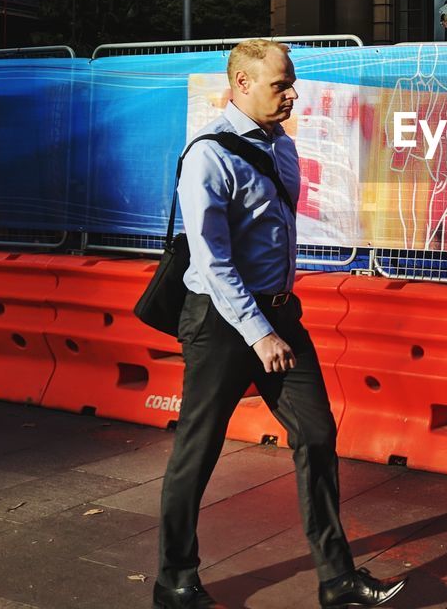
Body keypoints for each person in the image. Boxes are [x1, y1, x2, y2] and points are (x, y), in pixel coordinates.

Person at [154, 39, 405, 609]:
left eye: (292, 83)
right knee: (199, 448)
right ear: (242, 84)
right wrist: (257, 332)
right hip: (221, 319)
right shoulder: (208, 158)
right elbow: (211, 260)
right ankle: (174, 580)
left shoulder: (282, 147)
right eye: (279, 85)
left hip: (277, 314)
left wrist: (275, 320)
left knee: (316, 433)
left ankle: (337, 581)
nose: (292, 94)